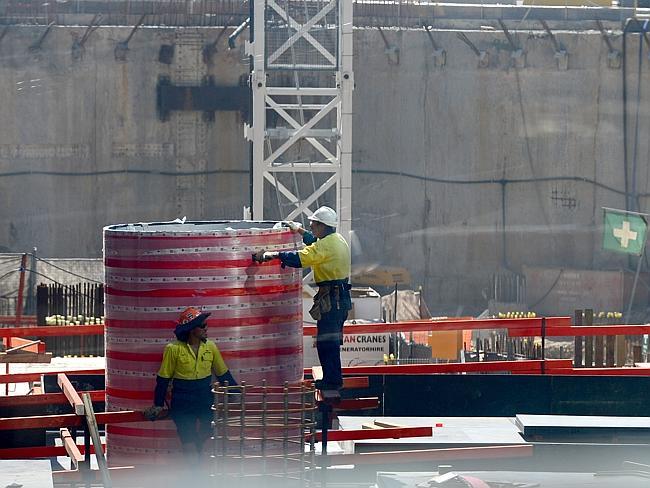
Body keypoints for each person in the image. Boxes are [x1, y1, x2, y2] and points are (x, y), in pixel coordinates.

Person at [254, 206, 352, 390]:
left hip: (333, 299)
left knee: (327, 343)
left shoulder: (327, 245)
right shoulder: (335, 239)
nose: (312, 226)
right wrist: (298, 230)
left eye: (313, 224)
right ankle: (333, 379)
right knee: (329, 342)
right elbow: (314, 242)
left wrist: (271, 255)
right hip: (339, 298)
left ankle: (332, 382)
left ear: (322, 226)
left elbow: (300, 259)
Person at [144, 307, 237, 461]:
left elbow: (223, 374)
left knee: (207, 434)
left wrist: (236, 393)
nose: (207, 328)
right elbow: (163, 379)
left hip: (205, 399)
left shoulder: (211, 347)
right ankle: (195, 476)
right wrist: (158, 404)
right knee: (189, 442)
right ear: (192, 329)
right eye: (203, 326)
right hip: (182, 401)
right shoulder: (173, 349)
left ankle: (198, 470)